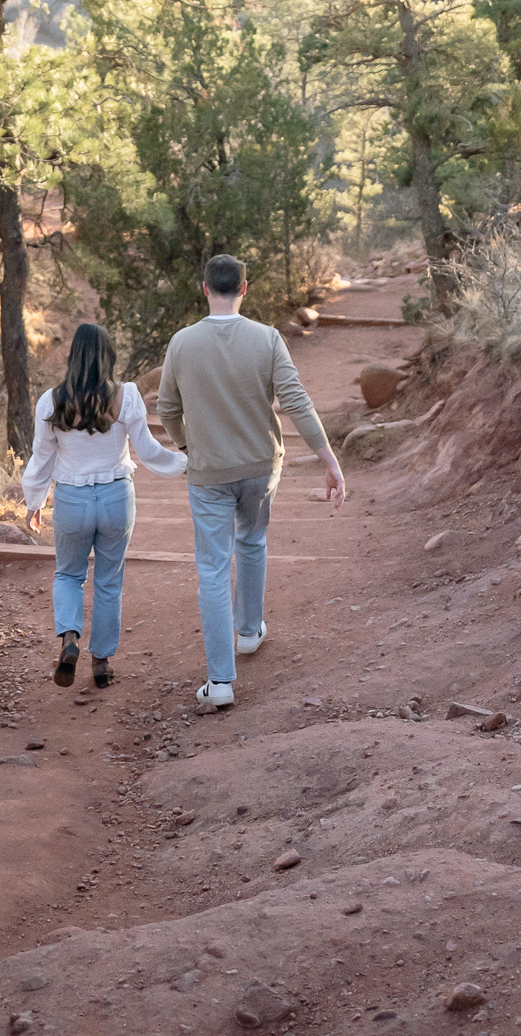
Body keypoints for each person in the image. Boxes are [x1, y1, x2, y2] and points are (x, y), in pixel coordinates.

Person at [156, 252, 345, 711]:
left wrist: (186, 447)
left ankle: (220, 682)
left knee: (214, 570)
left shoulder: (182, 343)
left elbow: (166, 408)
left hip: (209, 474)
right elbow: (297, 401)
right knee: (253, 541)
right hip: (261, 468)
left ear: (205, 288)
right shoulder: (268, 338)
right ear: (244, 288)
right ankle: (248, 632)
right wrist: (329, 458)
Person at [20, 320, 186, 687]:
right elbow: (147, 451)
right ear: (109, 355)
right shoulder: (125, 396)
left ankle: (69, 638)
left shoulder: (52, 400)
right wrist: (185, 462)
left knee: (68, 574)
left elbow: (41, 458)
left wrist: (33, 502)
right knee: (109, 581)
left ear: (73, 356)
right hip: (115, 497)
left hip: (72, 500)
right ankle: (102, 663)